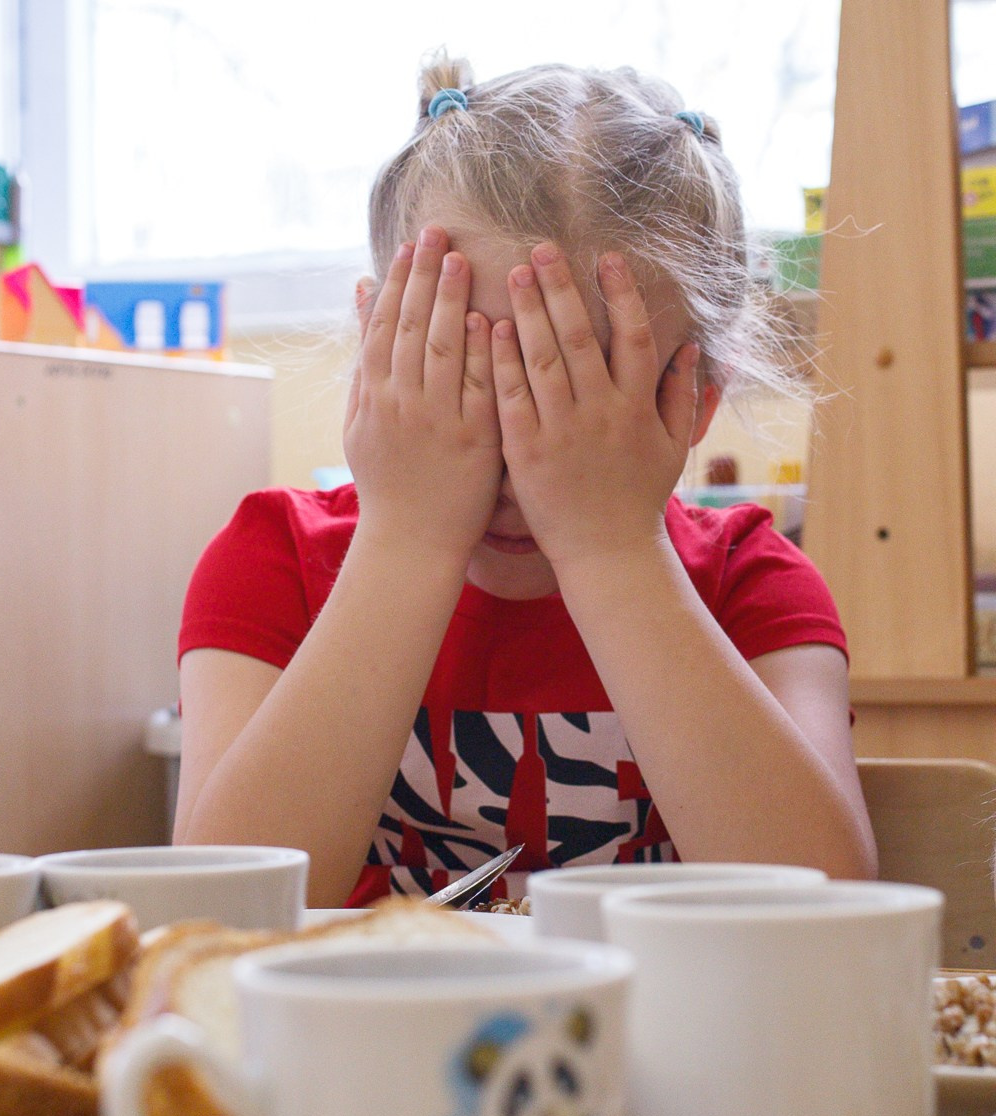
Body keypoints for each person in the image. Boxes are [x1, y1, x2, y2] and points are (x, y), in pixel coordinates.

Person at [175, 57, 876, 906]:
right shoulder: (273, 560)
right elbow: (219, 910)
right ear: (378, 357)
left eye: (583, 403)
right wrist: (408, 538)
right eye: (462, 383)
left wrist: (611, 549)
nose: (523, 465)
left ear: (695, 405)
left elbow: (821, 916)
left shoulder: (752, 584)